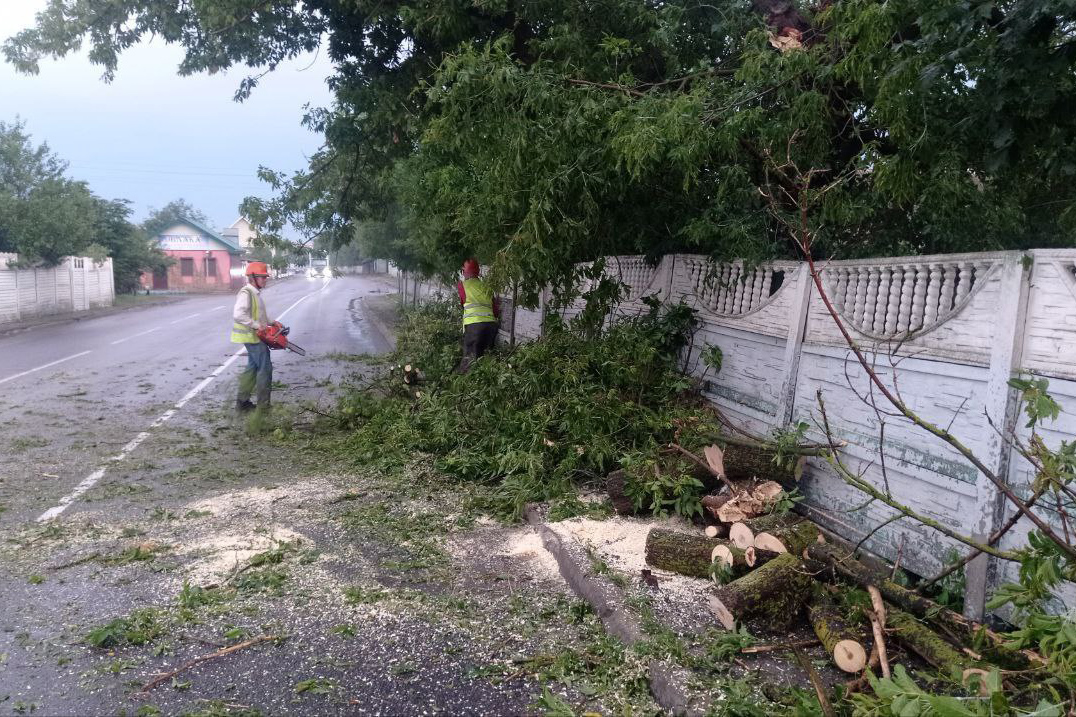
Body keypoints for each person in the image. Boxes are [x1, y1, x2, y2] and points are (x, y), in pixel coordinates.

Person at [231, 261, 273, 412]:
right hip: (253, 337)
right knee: (265, 368)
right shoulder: (246, 293)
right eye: (263, 277)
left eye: (265, 277)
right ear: (253, 278)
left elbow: (260, 316)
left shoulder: (255, 294)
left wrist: (273, 323)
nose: (265, 279)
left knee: (252, 368)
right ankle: (263, 406)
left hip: (255, 337)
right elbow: (238, 315)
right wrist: (256, 325)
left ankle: (242, 403)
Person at [456, 258, 500, 373]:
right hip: (491, 326)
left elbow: (462, 302)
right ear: (478, 272)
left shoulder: (462, 286)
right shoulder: (487, 286)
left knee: (469, 362)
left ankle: (466, 386)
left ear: (463, 272)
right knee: (486, 359)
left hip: (474, 327)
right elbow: (496, 311)